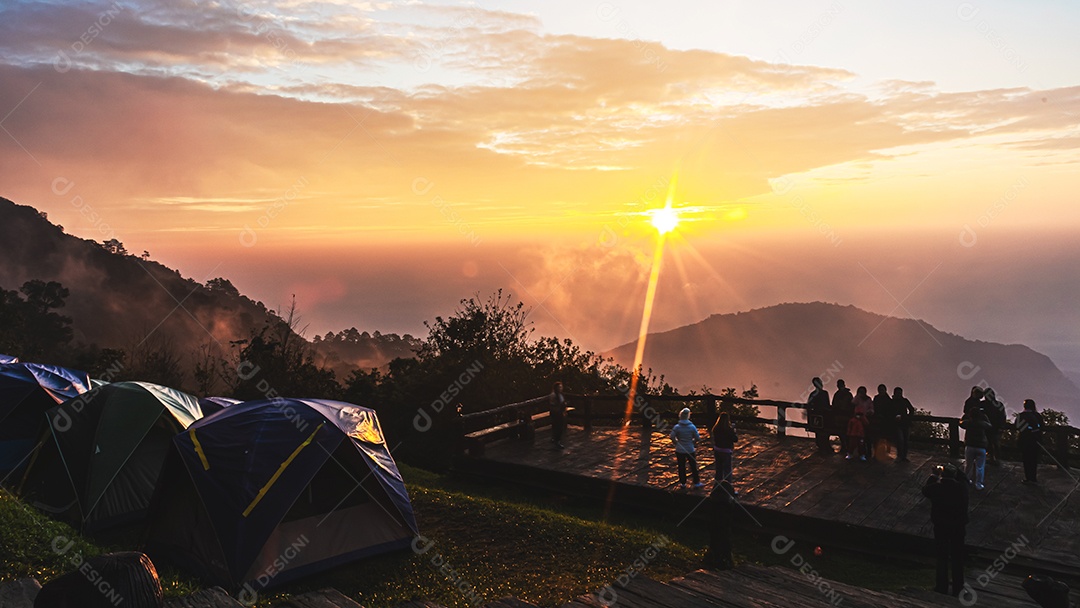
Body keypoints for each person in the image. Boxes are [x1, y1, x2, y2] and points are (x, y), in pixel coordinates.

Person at [922, 463, 969, 597]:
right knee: (957, 558)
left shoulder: (936, 488)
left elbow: (925, 490)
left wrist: (934, 475)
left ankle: (941, 586)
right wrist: (957, 470)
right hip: (958, 527)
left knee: (942, 557)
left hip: (941, 526)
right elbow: (965, 480)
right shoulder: (962, 489)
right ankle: (958, 588)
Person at [703, 480, 736, 570]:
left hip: (715, 524)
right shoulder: (727, 507)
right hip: (723, 525)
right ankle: (725, 558)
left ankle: (715, 555)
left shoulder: (713, 505)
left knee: (715, 537)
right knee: (724, 538)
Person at [671, 408, 704, 488]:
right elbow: (697, 437)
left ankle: (683, 483)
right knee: (693, 466)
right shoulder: (692, 427)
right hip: (690, 449)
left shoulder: (677, 427)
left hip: (680, 449)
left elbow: (672, 436)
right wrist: (693, 442)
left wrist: (676, 443)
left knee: (681, 466)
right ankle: (696, 482)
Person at [960, 406, 991, 490]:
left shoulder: (968, 423)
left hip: (970, 446)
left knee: (968, 465)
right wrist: (984, 416)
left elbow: (961, 423)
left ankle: (966, 480)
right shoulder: (982, 423)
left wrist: (966, 415)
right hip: (981, 447)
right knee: (980, 467)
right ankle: (978, 484)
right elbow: (989, 425)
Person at [1016, 399, 1045, 484]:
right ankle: (1033, 477)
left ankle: (1028, 477)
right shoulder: (1037, 416)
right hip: (1035, 440)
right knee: (1034, 459)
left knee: (1026, 459)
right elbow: (1042, 426)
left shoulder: (1021, 415)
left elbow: (1017, 426)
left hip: (1024, 440)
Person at [807, 377, 833, 454]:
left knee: (820, 431)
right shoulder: (824, 393)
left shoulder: (813, 394)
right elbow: (827, 404)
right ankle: (824, 446)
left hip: (818, 415)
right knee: (823, 431)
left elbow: (810, 405)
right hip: (822, 415)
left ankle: (822, 445)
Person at [711, 412, 737, 486]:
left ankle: (717, 485)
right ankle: (727, 486)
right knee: (727, 470)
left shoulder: (715, 428)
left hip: (717, 450)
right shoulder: (729, 430)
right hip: (726, 451)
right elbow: (735, 439)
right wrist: (734, 432)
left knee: (719, 469)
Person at [983, 388, 1007, 465]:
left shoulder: (983, 404)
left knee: (994, 443)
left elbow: (1002, 417)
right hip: (987, 427)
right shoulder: (998, 404)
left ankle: (995, 458)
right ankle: (993, 458)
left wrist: (1001, 426)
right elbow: (1003, 416)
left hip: (993, 427)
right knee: (990, 443)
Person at [892, 387, 916, 462]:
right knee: (900, 440)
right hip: (897, 424)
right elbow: (889, 412)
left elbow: (911, 409)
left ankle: (904, 456)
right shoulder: (892, 402)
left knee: (905, 440)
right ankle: (900, 456)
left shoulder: (905, 401)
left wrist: (907, 417)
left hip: (906, 423)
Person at [871, 384, 892, 461]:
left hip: (885, 421)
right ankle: (876, 454)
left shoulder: (888, 399)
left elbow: (890, 410)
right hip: (877, 421)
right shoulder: (876, 398)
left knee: (884, 438)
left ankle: (884, 454)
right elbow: (874, 407)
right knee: (876, 438)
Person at [833, 379, 854, 455]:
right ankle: (844, 447)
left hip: (846, 416)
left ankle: (848, 447)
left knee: (847, 432)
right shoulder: (837, 394)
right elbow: (834, 405)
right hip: (839, 416)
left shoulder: (848, 394)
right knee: (841, 433)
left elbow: (851, 405)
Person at [548, 381, 566, 449]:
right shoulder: (554, 395)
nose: (561, 388)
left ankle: (556, 440)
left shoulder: (560, 394)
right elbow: (553, 404)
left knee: (559, 427)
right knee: (557, 427)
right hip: (556, 413)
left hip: (560, 412)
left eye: (561, 387)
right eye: (559, 387)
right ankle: (557, 441)